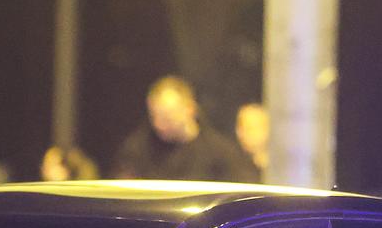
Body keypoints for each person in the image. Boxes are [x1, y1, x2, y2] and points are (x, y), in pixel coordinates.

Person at [114, 75, 251, 182]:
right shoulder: (137, 149)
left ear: (190, 110)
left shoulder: (221, 154)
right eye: (154, 116)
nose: (159, 124)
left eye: (168, 118)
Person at [234, 102, 269, 183]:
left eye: (250, 128)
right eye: (240, 127)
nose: (241, 133)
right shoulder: (232, 165)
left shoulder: (283, 168)